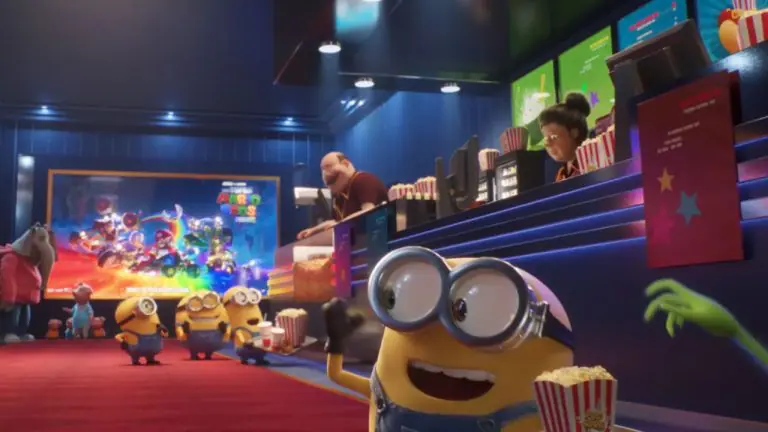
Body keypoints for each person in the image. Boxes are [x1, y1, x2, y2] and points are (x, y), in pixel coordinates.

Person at [297, 152, 387, 239]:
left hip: (378, 237)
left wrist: (339, 224)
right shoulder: (338, 195)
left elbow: (369, 211)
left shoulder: (363, 179)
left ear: (345, 164)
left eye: (329, 166)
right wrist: (313, 230)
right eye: (322, 169)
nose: (325, 173)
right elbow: (335, 222)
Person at [538, 93, 591, 182]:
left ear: (574, 133)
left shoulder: (591, 165)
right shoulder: (561, 173)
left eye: (553, 137)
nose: (548, 144)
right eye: (546, 138)